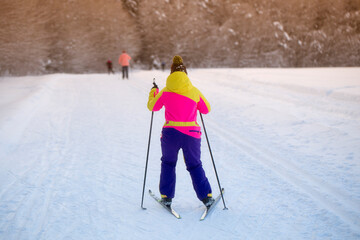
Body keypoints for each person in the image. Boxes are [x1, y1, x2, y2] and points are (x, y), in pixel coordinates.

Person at [147, 55, 214, 208]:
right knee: (195, 165)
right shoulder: (194, 91)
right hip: (191, 134)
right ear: (185, 74)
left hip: (170, 133)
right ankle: (206, 197)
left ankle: (166, 197)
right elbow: (206, 109)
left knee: (168, 163)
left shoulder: (165, 91)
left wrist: (153, 93)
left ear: (171, 74)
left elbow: (153, 107)